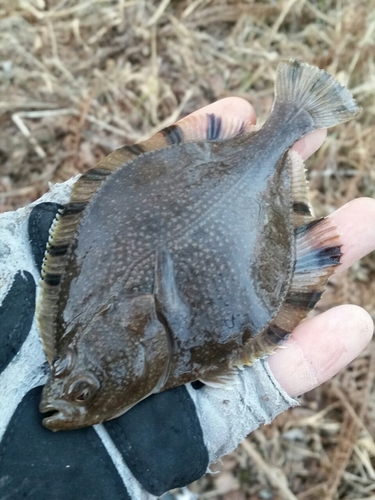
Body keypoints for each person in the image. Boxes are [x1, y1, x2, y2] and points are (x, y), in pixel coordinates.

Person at [0, 98, 374, 500]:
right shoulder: (77, 319)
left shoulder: (78, 313)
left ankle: (293, 120)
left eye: (81, 388)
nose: (55, 398)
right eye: (79, 387)